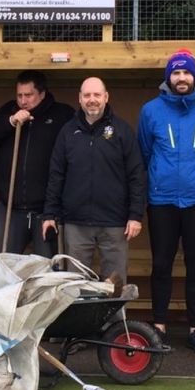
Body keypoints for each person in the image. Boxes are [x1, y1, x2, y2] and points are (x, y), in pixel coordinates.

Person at [137, 48, 195, 355]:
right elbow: (146, 153)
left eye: (186, 72)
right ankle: (159, 327)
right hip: (162, 201)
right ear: (168, 77)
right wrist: (162, 178)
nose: (182, 77)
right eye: (176, 73)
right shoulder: (151, 111)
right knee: (161, 264)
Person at [41, 77, 145, 284]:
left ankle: (116, 319)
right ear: (79, 99)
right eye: (87, 95)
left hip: (115, 223)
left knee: (115, 284)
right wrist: (49, 214)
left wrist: (135, 215)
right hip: (76, 223)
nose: (92, 100)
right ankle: (80, 318)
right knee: (75, 285)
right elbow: (56, 175)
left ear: (106, 97)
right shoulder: (68, 132)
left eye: (97, 95)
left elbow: (136, 175)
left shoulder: (122, 131)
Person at [0, 70, 75, 265]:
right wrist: (10, 122)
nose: (23, 101)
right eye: (19, 95)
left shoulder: (61, 114)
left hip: (47, 212)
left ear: (42, 94)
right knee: (2, 269)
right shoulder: (9, 110)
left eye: (28, 95)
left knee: (47, 272)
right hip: (11, 209)